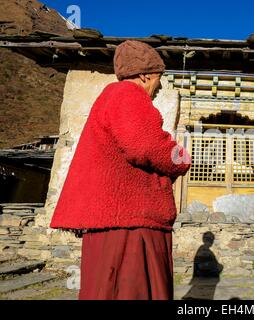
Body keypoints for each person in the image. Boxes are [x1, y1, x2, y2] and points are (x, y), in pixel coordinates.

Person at [49, 40, 191, 300]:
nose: (158, 88)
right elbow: (145, 145)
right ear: (146, 74)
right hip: (129, 224)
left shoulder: (112, 97)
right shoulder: (127, 94)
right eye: (158, 79)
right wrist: (181, 157)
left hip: (119, 221)